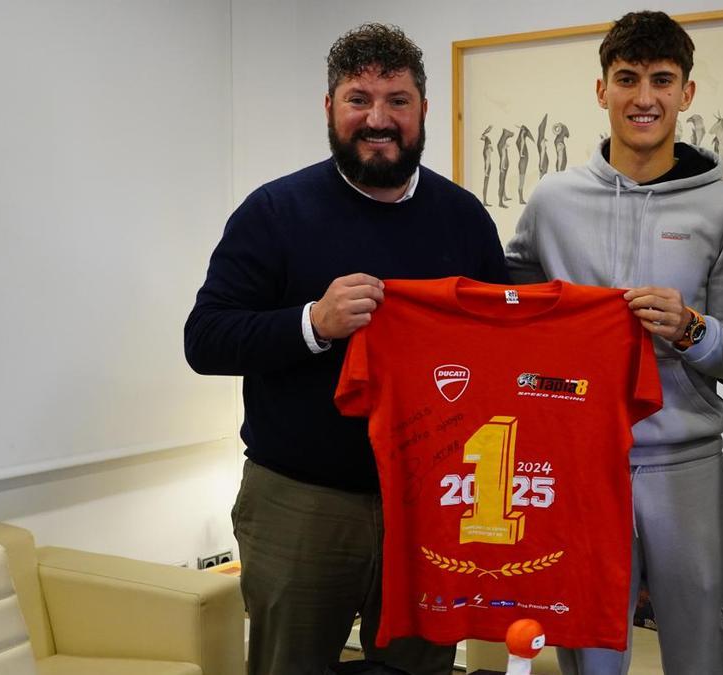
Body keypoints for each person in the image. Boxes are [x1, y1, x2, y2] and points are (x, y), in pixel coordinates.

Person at [184, 23, 508, 675]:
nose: (378, 118)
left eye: (397, 99)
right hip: (300, 503)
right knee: (289, 663)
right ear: (329, 108)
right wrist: (313, 323)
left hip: (429, 502)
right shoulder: (274, 211)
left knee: (419, 665)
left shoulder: (464, 217)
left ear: (423, 110)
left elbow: (499, 347)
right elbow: (206, 337)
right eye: (359, 98)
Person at [506, 11, 723, 675]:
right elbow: (504, 320)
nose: (643, 97)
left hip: (688, 466)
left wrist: (691, 328)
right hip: (581, 466)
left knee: (706, 654)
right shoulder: (551, 201)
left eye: (661, 80)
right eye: (626, 79)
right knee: (589, 658)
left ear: (687, 93)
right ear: (601, 91)